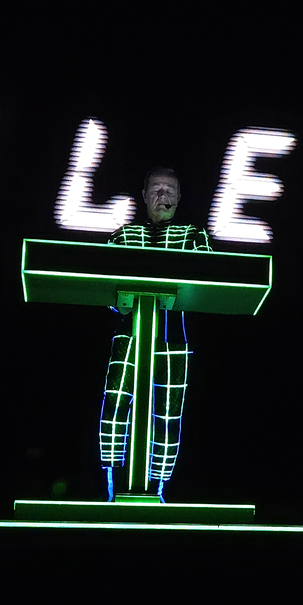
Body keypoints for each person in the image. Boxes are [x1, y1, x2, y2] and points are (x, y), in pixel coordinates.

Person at [98, 167, 210, 501]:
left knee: (168, 415)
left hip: (174, 338)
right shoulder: (123, 235)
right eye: (157, 189)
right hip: (129, 336)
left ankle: (158, 491)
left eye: (169, 189)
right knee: (116, 404)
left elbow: (207, 277)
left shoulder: (193, 235)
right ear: (144, 195)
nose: (163, 195)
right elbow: (102, 284)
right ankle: (112, 487)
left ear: (179, 197)